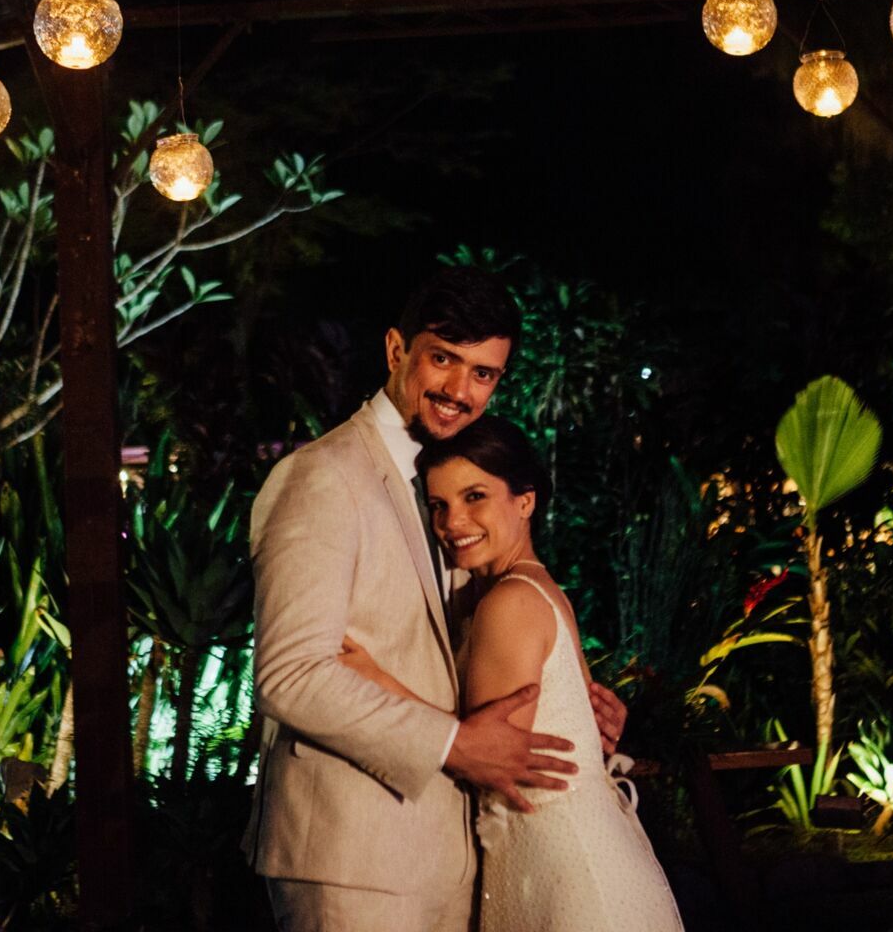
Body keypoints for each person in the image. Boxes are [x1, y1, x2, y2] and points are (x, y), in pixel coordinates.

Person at [246, 266, 628, 932]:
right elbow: (291, 674)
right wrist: (453, 743)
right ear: (397, 350)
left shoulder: (449, 487)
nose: (459, 390)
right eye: (443, 359)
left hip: (456, 856)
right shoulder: (320, 478)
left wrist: (567, 709)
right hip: (350, 856)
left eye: (483, 373)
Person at [345, 415, 685, 931]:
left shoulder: (510, 602)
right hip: (557, 856)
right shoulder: (534, 589)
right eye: (439, 505)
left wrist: (374, 679)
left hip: (563, 869)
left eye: (474, 497)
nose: (452, 522)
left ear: (525, 501)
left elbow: (494, 756)